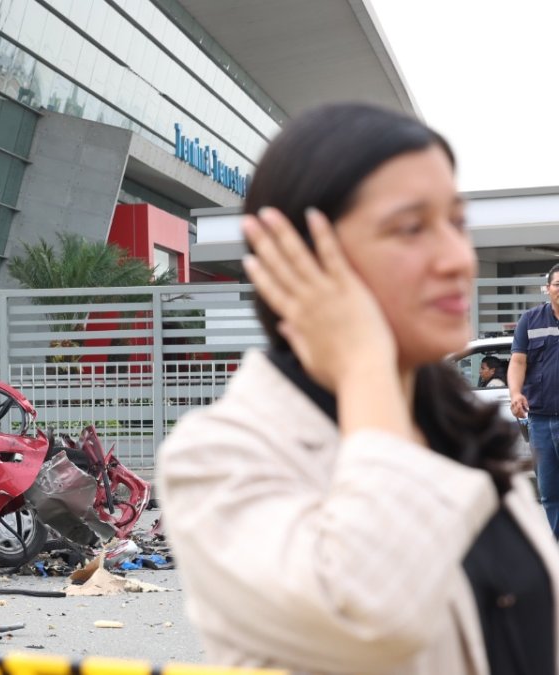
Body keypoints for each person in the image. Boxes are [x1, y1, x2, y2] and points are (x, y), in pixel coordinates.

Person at [158, 103, 559, 674]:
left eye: (456, 224)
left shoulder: (455, 424)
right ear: (298, 254)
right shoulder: (219, 457)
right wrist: (366, 363)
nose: (455, 259)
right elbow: (373, 611)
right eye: (411, 228)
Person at [509, 262, 559, 537]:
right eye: (558, 284)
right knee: (549, 492)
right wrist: (515, 393)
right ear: (548, 288)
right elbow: (517, 361)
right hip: (539, 421)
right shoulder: (530, 320)